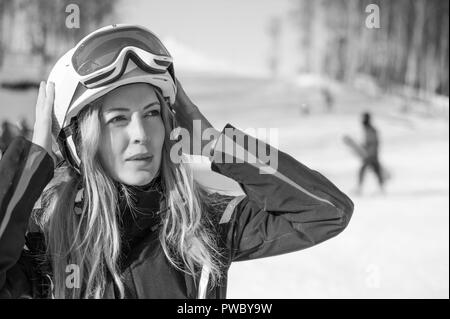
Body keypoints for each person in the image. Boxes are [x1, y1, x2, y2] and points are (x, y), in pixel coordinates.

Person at [0, 24, 354, 299]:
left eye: (152, 113)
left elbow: (326, 211)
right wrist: (29, 166)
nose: (141, 133)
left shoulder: (204, 225)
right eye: (118, 119)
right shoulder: (45, 246)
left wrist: (216, 143)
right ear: (79, 142)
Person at [357, 112, 385, 193]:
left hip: (371, 155)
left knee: (363, 170)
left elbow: (374, 143)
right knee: (376, 171)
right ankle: (381, 188)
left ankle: (360, 188)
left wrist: (370, 152)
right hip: (370, 154)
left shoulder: (371, 130)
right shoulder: (367, 129)